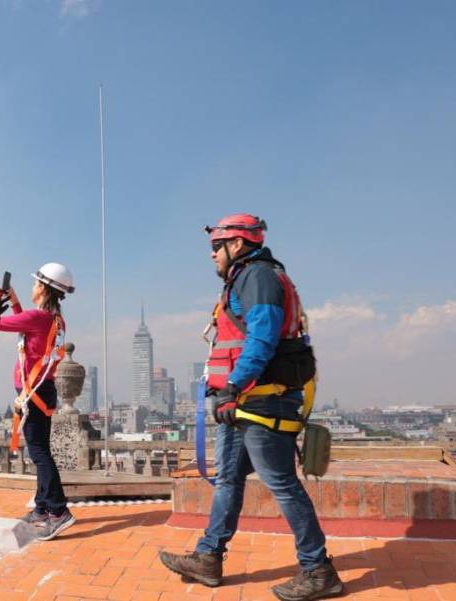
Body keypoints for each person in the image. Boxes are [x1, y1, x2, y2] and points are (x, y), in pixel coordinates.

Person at [159, 214, 344, 601]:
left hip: (263, 399)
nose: (212, 256)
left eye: (216, 248)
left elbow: (262, 336)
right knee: (228, 479)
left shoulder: (257, 277)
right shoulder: (243, 279)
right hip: (243, 401)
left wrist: (231, 387)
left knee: (281, 483)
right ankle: (209, 557)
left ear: (238, 245)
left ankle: (318, 570)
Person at [0, 262, 77, 541]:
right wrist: (14, 302)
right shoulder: (53, 320)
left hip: (33, 392)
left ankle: (59, 512)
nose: (33, 287)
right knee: (40, 451)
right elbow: (27, 325)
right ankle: (41, 508)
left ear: (45, 289)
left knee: (39, 453)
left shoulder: (41, 319)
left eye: (37, 283)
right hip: (41, 390)